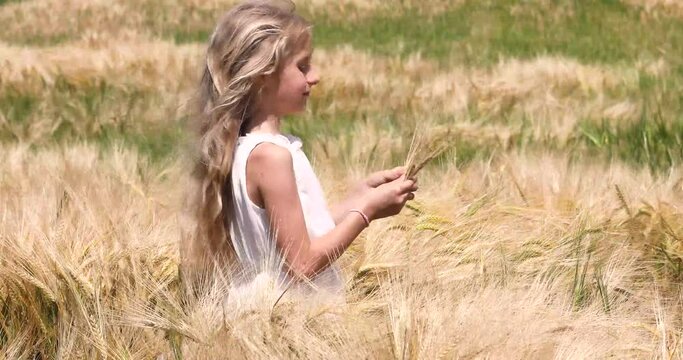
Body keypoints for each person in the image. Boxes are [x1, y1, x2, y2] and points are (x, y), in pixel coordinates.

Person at [181, 0, 417, 296]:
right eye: (303, 66)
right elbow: (302, 264)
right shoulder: (271, 157)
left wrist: (355, 201)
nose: (315, 76)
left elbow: (288, 236)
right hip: (285, 320)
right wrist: (365, 212)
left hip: (269, 317)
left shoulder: (248, 149)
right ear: (263, 76)